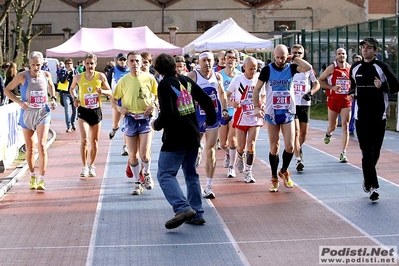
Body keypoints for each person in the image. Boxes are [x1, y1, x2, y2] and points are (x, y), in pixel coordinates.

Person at [152, 53, 217, 229]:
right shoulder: (185, 80)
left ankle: (182, 207)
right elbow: (205, 98)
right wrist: (211, 119)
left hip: (175, 136)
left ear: (157, 69)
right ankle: (197, 212)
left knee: (165, 174)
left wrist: (156, 124)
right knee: (191, 174)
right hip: (192, 133)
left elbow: (167, 113)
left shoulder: (164, 84)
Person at [253, 44, 312, 192]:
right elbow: (257, 89)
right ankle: (274, 177)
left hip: (287, 112)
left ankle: (284, 170)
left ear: (287, 57)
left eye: (283, 57)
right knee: (274, 146)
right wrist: (256, 106)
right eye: (278, 57)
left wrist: (295, 58)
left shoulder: (291, 68)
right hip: (272, 113)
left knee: (290, 146)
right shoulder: (267, 70)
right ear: (274, 56)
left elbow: (308, 68)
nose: (280, 60)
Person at [349, 37, 399, 201]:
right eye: (363, 47)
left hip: (378, 116)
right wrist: (351, 93)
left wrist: (382, 87)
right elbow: (353, 85)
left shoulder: (382, 67)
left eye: (369, 48)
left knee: (375, 152)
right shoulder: (355, 67)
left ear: (375, 51)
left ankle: (368, 177)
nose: (365, 50)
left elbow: (396, 87)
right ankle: (373, 187)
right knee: (366, 152)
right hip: (360, 116)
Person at [4, 51, 57, 191]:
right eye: (33, 65)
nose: (36, 68)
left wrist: (53, 98)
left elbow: (51, 86)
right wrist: (19, 102)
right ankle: (32, 175)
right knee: (30, 147)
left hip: (43, 114)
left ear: (42, 64)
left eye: (38, 65)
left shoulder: (46, 75)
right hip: (27, 115)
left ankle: (42, 179)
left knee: (42, 145)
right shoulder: (22, 76)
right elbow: (7, 90)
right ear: (29, 64)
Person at [110, 51, 158, 195]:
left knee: (144, 154)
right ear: (128, 63)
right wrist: (119, 108)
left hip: (145, 119)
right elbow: (113, 99)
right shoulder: (123, 81)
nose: (135, 64)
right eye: (132, 61)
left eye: (137, 61)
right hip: (130, 119)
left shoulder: (149, 78)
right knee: (133, 155)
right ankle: (137, 183)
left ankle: (147, 174)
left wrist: (154, 104)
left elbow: (157, 95)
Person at [187, 50, 228, 199]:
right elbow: (182, 96)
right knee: (192, 147)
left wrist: (224, 109)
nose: (207, 63)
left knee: (211, 148)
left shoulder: (217, 76)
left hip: (213, 116)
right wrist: (193, 102)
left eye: (209, 60)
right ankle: (197, 149)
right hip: (197, 117)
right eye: (204, 60)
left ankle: (209, 186)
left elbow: (222, 93)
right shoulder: (192, 76)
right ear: (199, 62)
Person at [69, 53, 112, 178]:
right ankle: (84, 167)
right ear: (84, 64)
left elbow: (110, 92)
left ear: (95, 64)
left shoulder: (100, 76)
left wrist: (102, 91)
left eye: (91, 63)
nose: (89, 66)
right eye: (87, 63)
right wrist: (75, 97)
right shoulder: (78, 77)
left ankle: (92, 165)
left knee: (94, 141)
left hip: (96, 111)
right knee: (84, 140)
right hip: (83, 111)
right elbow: (71, 89)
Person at [227, 56, 265, 183]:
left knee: (252, 144)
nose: (253, 71)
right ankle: (240, 156)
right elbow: (227, 95)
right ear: (244, 67)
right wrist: (232, 103)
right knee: (241, 146)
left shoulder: (259, 80)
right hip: (241, 116)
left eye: (255, 69)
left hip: (255, 116)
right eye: (250, 69)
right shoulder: (237, 79)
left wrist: (262, 104)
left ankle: (249, 172)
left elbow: (263, 95)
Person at [291, 44, 321, 172]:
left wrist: (311, 93)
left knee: (303, 135)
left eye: (299, 53)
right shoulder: (289, 68)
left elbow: (317, 84)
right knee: (296, 133)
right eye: (294, 53)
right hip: (292, 104)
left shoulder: (308, 68)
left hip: (304, 104)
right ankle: (298, 160)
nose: (297, 55)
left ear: (303, 54)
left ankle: (298, 147)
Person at [319, 48, 351, 163]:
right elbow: (320, 81)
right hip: (333, 100)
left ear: (346, 56)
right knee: (333, 126)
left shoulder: (349, 68)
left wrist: (352, 93)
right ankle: (328, 133)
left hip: (346, 100)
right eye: (339, 54)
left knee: (345, 125)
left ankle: (343, 153)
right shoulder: (332, 67)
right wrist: (332, 88)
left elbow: (353, 83)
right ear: (336, 56)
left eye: (343, 54)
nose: (341, 56)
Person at [218, 50, 241, 178]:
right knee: (223, 144)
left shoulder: (240, 76)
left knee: (232, 140)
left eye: (233, 58)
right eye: (228, 57)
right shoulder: (219, 75)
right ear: (224, 60)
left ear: (237, 60)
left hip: (235, 111)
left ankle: (231, 167)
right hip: (223, 111)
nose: (230, 60)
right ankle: (229, 154)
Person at [108, 53, 131, 156]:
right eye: (121, 60)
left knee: (126, 124)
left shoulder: (130, 70)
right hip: (117, 100)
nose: (123, 62)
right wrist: (109, 95)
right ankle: (114, 129)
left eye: (124, 60)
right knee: (116, 124)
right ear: (117, 61)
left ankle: (125, 146)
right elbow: (108, 84)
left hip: (128, 101)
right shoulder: (112, 71)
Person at [57, 58, 79, 132]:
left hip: (73, 93)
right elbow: (62, 80)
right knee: (67, 110)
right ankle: (68, 126)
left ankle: (73, 122)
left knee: (74, 110)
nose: (69, 65)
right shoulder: (63, 71)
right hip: (65, 93)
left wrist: (73, 73)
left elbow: (78, 81)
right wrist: (67, 73)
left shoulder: (75, 72)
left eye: (70, 63)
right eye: (67, 64)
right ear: (65, 65)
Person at [348, 54, 362, 136]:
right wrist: (351, 92)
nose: (357, 61)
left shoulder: (365, 69)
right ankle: (351, 129)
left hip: (363, 95)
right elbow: (351, 82)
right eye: (355, 59)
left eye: (359, 59)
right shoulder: (352, 69)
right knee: (352, 113)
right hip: (355, 95)